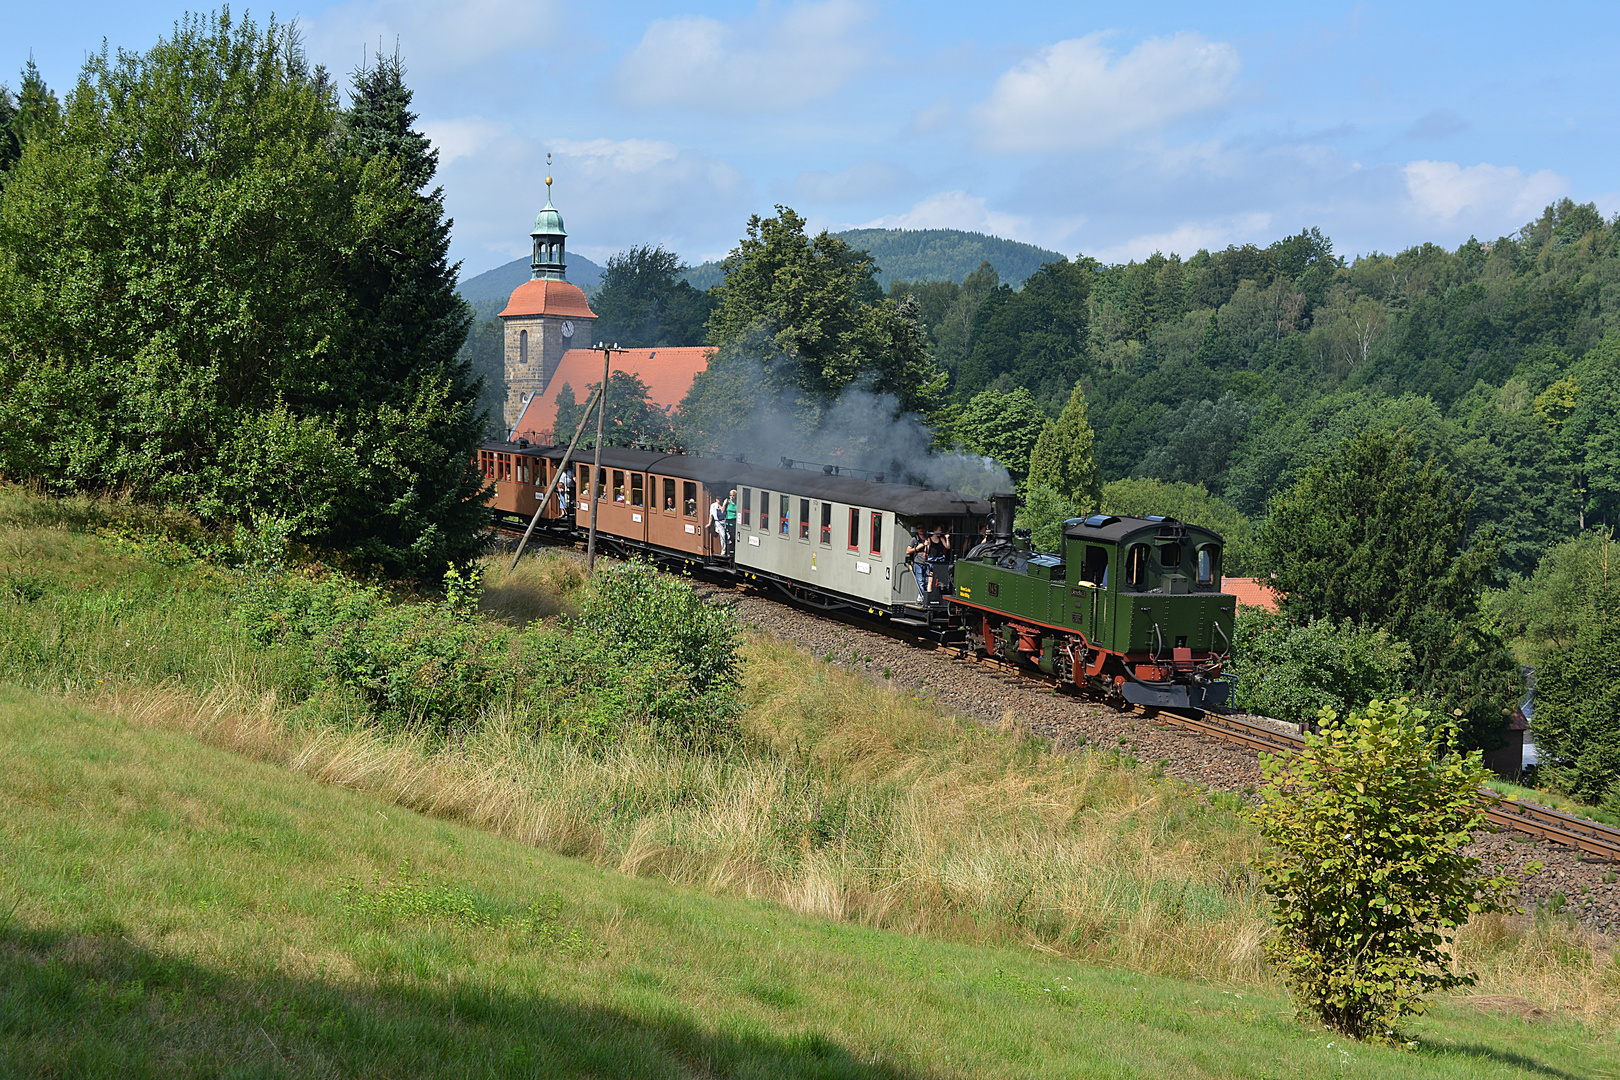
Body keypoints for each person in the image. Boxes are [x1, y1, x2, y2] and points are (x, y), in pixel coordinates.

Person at [923, 527, 952, 596]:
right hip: (932, 560)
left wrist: (947, 539)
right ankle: (929, 595)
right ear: (934, 530)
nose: (940, 531)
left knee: (940, 577)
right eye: (939, 530)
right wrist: (926, 545)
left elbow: (948, 547)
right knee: (930, 578)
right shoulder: (929, 539)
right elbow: (926, 551)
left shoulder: (941, 539)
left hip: (940, 559)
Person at [905, 526, 929, 601]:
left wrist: (926, 546)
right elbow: (908, 551)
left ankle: (920, 596)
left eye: (922, 528)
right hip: (918, 562)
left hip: (926, 563)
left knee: (927, 581)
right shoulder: (914, 539)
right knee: (920, 581)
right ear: (917, 530)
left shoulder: (927, 539)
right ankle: (923, 598)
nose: (921, 529)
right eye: (919, 528)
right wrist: (917, 548)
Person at [724, 489, 738, 556]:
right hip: (728, 520)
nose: (732, 497)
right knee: (729, 535)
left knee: (734, 535)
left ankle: (734, 549)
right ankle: (729, 550)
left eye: (733, 495)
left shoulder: (737, 503)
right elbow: (722, 510)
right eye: (730, 495)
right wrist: (724, 504)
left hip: (735, 520)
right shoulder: (728, 502)